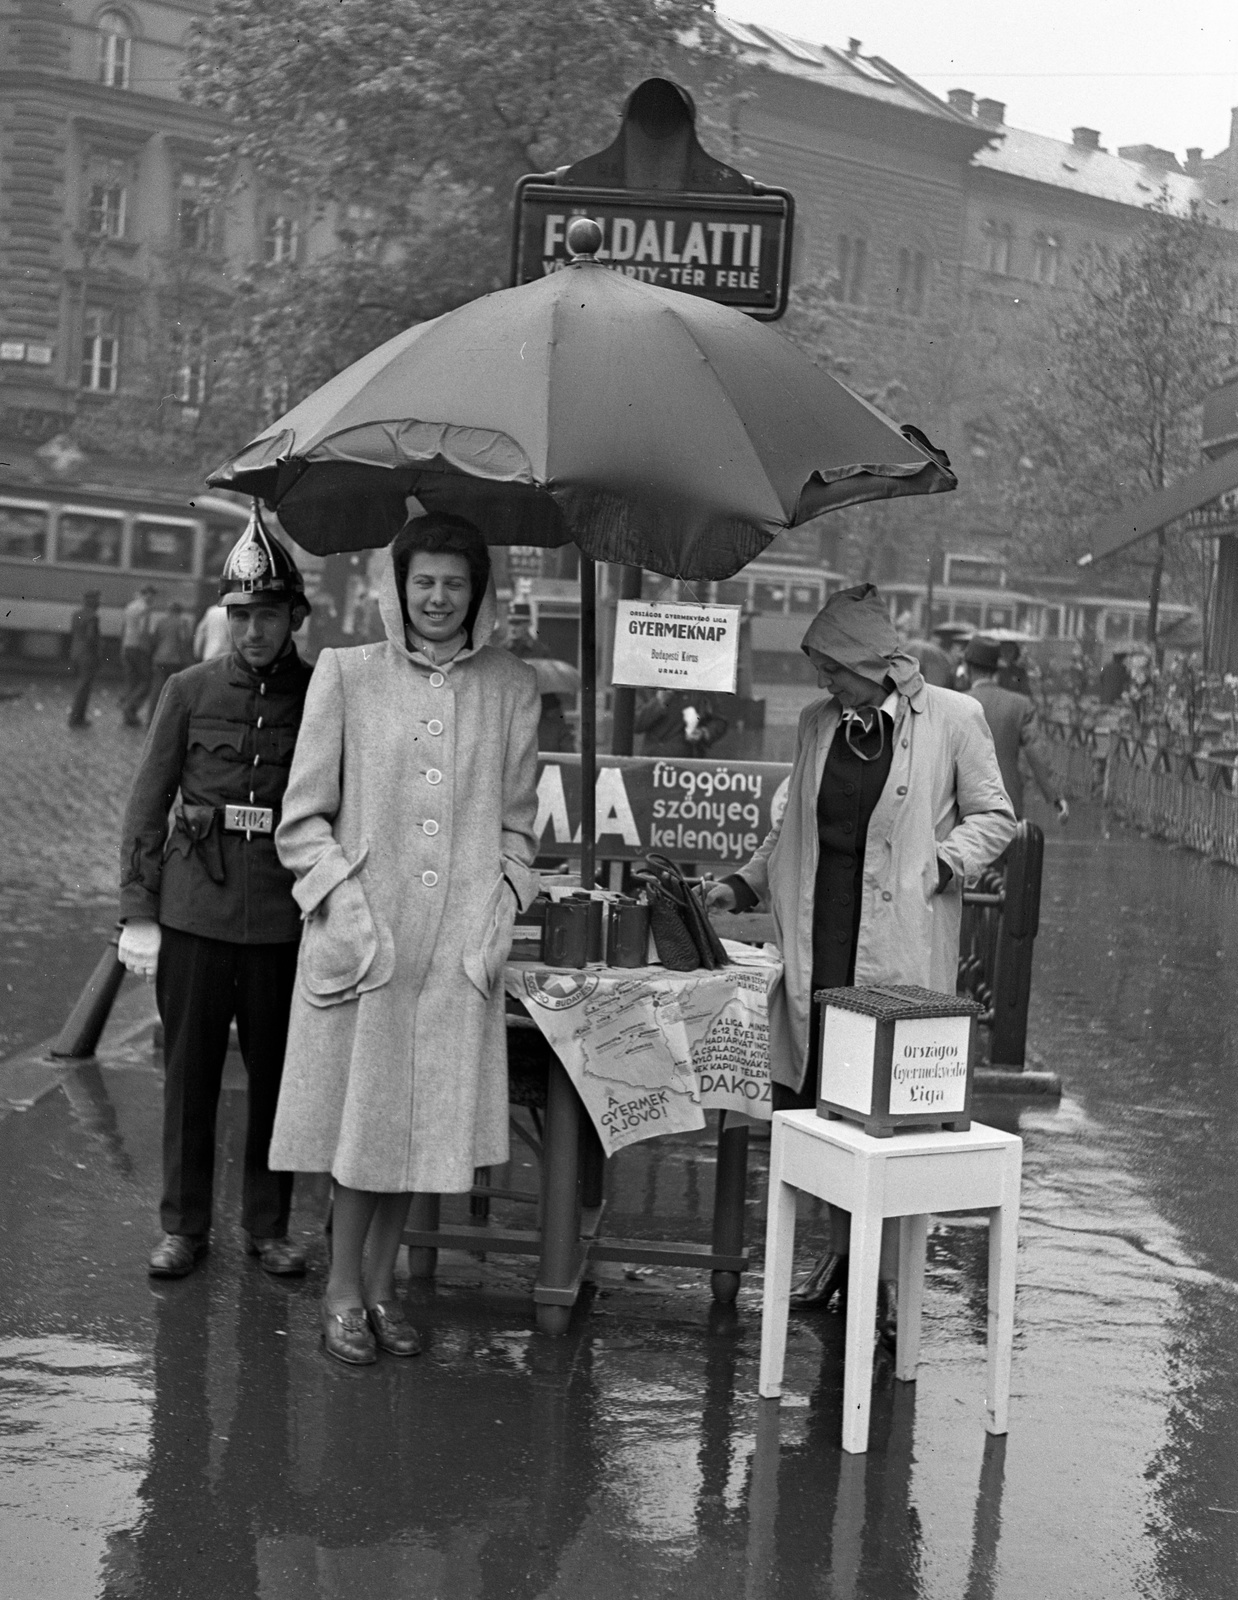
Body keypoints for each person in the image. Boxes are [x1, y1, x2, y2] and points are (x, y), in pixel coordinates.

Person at [268, 513, 540, 1367]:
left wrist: (497, 912)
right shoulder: (348, 675)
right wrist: (345, 908)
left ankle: (381, 1292)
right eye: (423, 580)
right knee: (363, 1131)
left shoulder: (511, 686)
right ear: (397, 586)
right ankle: (342, 1294)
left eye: (454, 583)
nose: (437, 597)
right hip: (369, 943)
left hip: (457, 952)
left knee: (421, 1135)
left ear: (478, 593)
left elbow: (520, 831)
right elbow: (300, 822)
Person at [706, 584, 1015, 1326]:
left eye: (830, 667)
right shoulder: (818, 725)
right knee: (821, 1111)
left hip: (897, 955)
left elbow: (996, 816)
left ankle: (875, 1282)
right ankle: (843, 1256)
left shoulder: (952, 717)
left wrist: (938, 866)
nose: (823, 682)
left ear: (868, 661)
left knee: (883, 1121)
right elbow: (792, 836)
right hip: (822, 946)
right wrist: (740, 886)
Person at [117, 512, 314, 1280]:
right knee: (190, 1074)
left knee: (277, 1078)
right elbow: (146, 801)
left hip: (280, 915)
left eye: (267, 615)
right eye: (240, 616)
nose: (252, 631)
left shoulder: (321, 692)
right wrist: (138, 911)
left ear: (295, 616)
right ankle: (183, 1226)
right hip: (195, 907)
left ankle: (269, 1226)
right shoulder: (189, 689)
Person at [965, 638, 1068, 822]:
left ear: (968, 668)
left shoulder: (955, 703)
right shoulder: (1020, 705)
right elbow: (1037, 752)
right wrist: (1056, 796)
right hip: (1007, 801)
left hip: (964, 802)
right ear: (997, 669)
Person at [506, 605, 576, 751]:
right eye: (511, 622)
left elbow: (548, 684)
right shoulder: (502, 650)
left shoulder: (540, 651)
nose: (513, 627)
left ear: (528, 624)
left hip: (538, 714)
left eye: (518, 623)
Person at [635, 687, 728, 758]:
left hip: (688, 762)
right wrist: (659, 702)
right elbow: (636, 724)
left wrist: (703, 732)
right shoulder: (648, 685)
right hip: (653, 760)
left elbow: (720, 721)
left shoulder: (702, 686)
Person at [146, 600, 196, 723]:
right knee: (173, 691)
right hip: (175, 661)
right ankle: (168, 719)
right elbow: (185, 640)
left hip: (159, 659)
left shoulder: (161, 621)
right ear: (180, 612)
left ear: (169, 610)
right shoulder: (182, 622)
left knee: (156, 690)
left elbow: (154, 639)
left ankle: (151, 719)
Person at [120, 583, 157, 726]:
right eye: (152, 596)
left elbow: (123, 628)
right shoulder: (144, 609)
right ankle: (130, 706)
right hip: (138, 648)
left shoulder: (129, 606)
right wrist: (148, 648)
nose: (153, 599)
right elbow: (143, 631)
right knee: (146, 680)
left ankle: (128, 717)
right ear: (148, 594)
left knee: (131, 680)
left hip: (127, 646)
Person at [66, 589, 102, 727]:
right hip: (87, 655)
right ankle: (76, 719)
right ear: (93, 601)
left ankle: (77, 717)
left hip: (75, 652)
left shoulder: (76, 614)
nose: (99, 603)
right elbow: (91, 637)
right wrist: (98, 653)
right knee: (84, 687)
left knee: (81, 686)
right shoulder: (93, 617)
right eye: (98, 600)